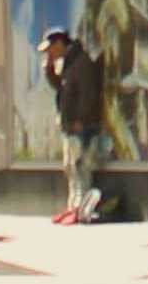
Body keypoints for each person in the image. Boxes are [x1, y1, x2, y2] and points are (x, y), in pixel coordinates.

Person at [41, 25, 106, 226]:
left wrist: (80, 120)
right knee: (71, 168)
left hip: (82, 127)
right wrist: (50, 68)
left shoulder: (81, 63)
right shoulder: (69, 64)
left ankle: (81, 210)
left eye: (51, 48)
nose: (49, 53)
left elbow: (89, 95)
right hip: (72, 127)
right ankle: (73, 208)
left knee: (80, 170)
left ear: (60, 44)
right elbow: (61, 88)